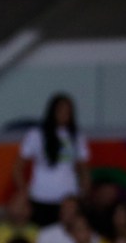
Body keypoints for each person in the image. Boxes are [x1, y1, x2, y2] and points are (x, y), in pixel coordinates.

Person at [14, 93, 90, 226]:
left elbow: (84, 170)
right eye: (61, 110)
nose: (65, 114)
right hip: (40, 197)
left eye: (68, 111)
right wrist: (24, 191)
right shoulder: (36, 135)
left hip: (68, 199)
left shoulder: (77, 136)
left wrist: (83, 193)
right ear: (53, 111)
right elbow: (18, 168)